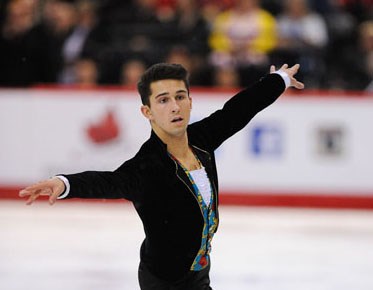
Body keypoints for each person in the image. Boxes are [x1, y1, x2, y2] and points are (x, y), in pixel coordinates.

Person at [19, 62, 304, 289]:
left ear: (191, 101)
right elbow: (107, 181)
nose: (175, 107)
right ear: (148, 111)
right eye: (163, 100)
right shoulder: (147, 166)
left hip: (198, 272)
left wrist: (278, 79)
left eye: (180, 97)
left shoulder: (202, 139)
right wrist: (64, 183)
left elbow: (239, 110)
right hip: (164, 281)